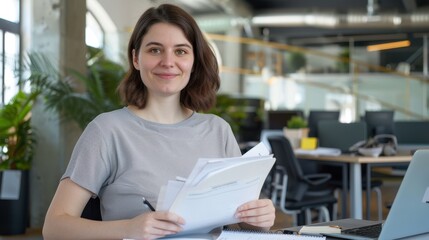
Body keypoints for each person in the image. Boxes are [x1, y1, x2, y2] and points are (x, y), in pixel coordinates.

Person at [42, 3, 275, 240]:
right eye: (155, 50)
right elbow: (54, 227)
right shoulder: (106, 131)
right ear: (135, 58)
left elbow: (237, 225)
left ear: (193, 61)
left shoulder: (218, 131)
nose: (167, 61)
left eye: (181, 51)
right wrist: (128, 228)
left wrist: (258, 219)